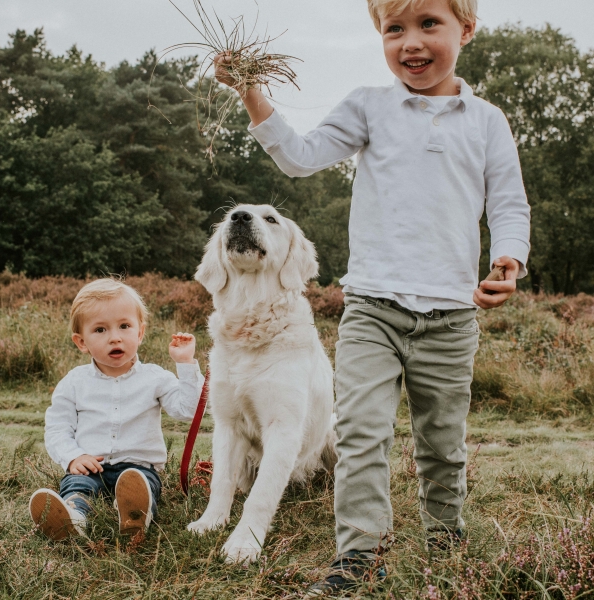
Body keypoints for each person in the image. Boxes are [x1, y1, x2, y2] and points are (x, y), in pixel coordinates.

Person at [214, 0, 530, 593]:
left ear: (466, 29)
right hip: (372, 310)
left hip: (452, 314)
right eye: (395, 29)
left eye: (428, 24)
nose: (411, 41)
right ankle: (359, 556)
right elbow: (300, 158)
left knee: (442, 440)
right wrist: (252, 94)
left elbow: (509, 202)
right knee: (360, 433)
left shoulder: (488, 121)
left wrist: (508, 258)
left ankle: (445, 542)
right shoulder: (369, 106)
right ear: (381, 37)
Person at [28, 278, 204, 541]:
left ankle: (135, 515)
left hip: (139, 468)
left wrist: (186, 364)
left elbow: (188, 410)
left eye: (124, 326)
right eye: (100, 330)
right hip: (90, 466)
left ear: (140, 332)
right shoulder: (74, 382)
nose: (115, 337)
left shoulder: (154, 377)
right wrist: (73, 457)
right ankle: (74, 518)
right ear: (81, 342)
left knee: (140, 486)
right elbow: (57, 428)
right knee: (77, 486)